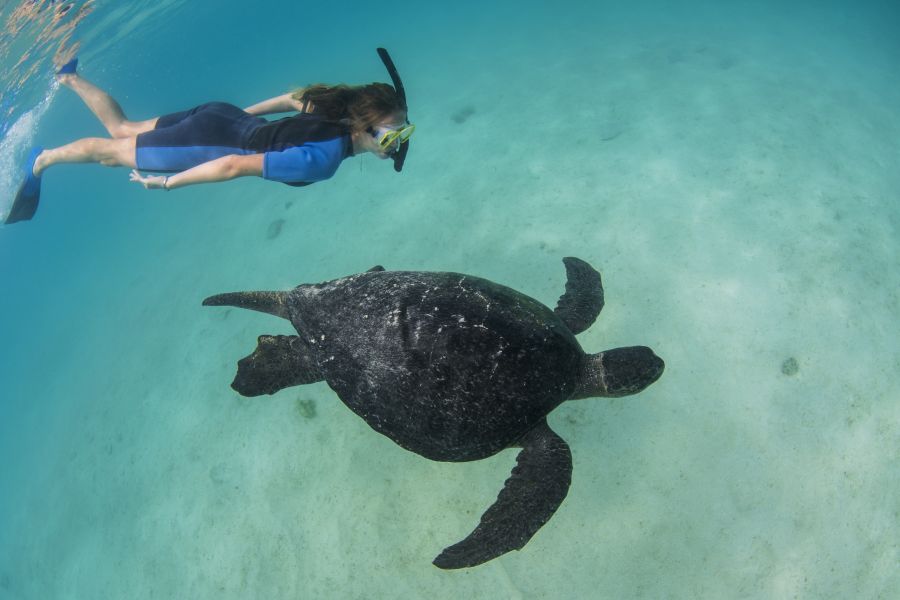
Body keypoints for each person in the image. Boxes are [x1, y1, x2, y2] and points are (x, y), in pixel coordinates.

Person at [4, 48, 414, 224]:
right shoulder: (322, 160)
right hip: (210, 142)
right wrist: (168, 182)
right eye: (393, 136)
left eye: (404, 134)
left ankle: (68, 76)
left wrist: (242, 115)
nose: (398, 144)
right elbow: (235, 165)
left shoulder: (338, 111)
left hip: (222, 118)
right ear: (365, 127)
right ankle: (42, 160)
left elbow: (293, 99)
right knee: (109, 152)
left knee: (122, 131)